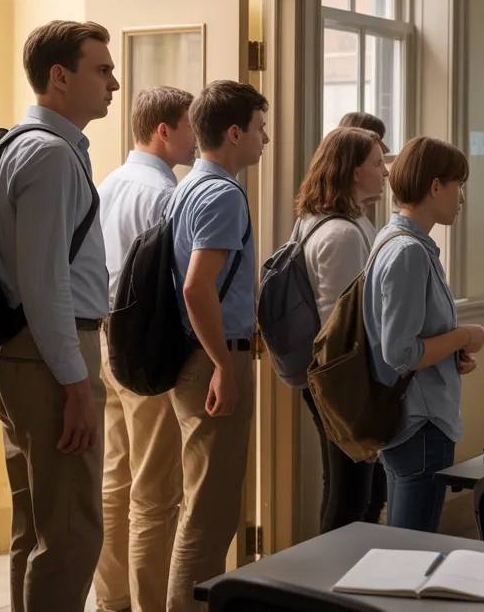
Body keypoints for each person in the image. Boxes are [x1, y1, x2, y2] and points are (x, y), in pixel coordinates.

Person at [0, 20, 117, 612]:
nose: (114, 82)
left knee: (37, 530)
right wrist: (76, 386)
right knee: (70, 534)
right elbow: (45, 285)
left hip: (28, 352)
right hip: (50, 358)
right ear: (59, 77)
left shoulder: (29, 146)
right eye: (101, 69)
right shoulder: (49, 155)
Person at [94, 86, 197, 612]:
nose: (197, 137)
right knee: (155, 493)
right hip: (147, 347)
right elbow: (182, 288)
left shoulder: (107, 183)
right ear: (164, 131)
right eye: (190, 125)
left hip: (103, 339)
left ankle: (112, 602)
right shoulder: (165, 195)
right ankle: (149, 606)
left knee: (115, 480)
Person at [167, 80, 270, 612]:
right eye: (259, 129)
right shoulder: (224, 195)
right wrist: (223, 367)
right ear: (234, 133)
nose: (265, 139)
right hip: (214, 356)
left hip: (195, 355)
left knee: (200, 506)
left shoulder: (185, 186)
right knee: (209, 514)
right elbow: (195, 286)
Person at [367, 136, 484, 532]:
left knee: (405, 540)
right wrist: (464, 336)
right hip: (420, 422)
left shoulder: (394, 241)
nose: (462, 199)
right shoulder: (407, 252)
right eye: (459, 186)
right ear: (436, 186)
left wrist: (450, 354)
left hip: (411, 415)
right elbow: (400, 351)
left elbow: (411, 336)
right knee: (412, 548)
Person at [293, 125, 389, 532]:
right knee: (351, 492)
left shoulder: (344, 222)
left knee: (364, 489)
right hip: (342, 379)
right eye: (377, 162)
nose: (386, 171)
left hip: (340, 376)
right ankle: (330, 588)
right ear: (353, 172)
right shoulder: (341, 233)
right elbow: (342, 326)